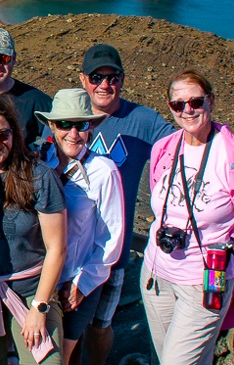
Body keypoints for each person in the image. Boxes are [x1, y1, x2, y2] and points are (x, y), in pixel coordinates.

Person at [141, 70, 234, 365]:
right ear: (170, 108)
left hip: (205, 280)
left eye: (195, 101)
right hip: (156, 275)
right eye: (178, 104)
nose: (187, 110)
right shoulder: (164, 149)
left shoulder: (232, 156)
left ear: (211, 101)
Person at [75, 44, 175, 365]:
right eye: (96, 77)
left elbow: (185, 143)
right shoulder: (70, 119)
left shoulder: (142, 120)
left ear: (122, 79)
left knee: (100, 325)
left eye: (112, 77)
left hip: (111, 253)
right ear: (83, 80)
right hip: (71, 250)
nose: (104, 85)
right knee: (69, 325)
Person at [0, 94, 67, 365]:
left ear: (14, 133)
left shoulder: (38, 175)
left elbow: (57, 248)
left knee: (49, 361)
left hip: (32, 290)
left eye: (2, 134)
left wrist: (40, 307)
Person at [35, 90, 123, 365]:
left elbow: (111, 238)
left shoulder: (104, 172)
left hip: (76, 281)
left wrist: (83, 284)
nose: (73, 133)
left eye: (81, 125)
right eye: (64, 124)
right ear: (51, 126)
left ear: (91, 127)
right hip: (37, 280)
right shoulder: (36, 164)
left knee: (61, 356)